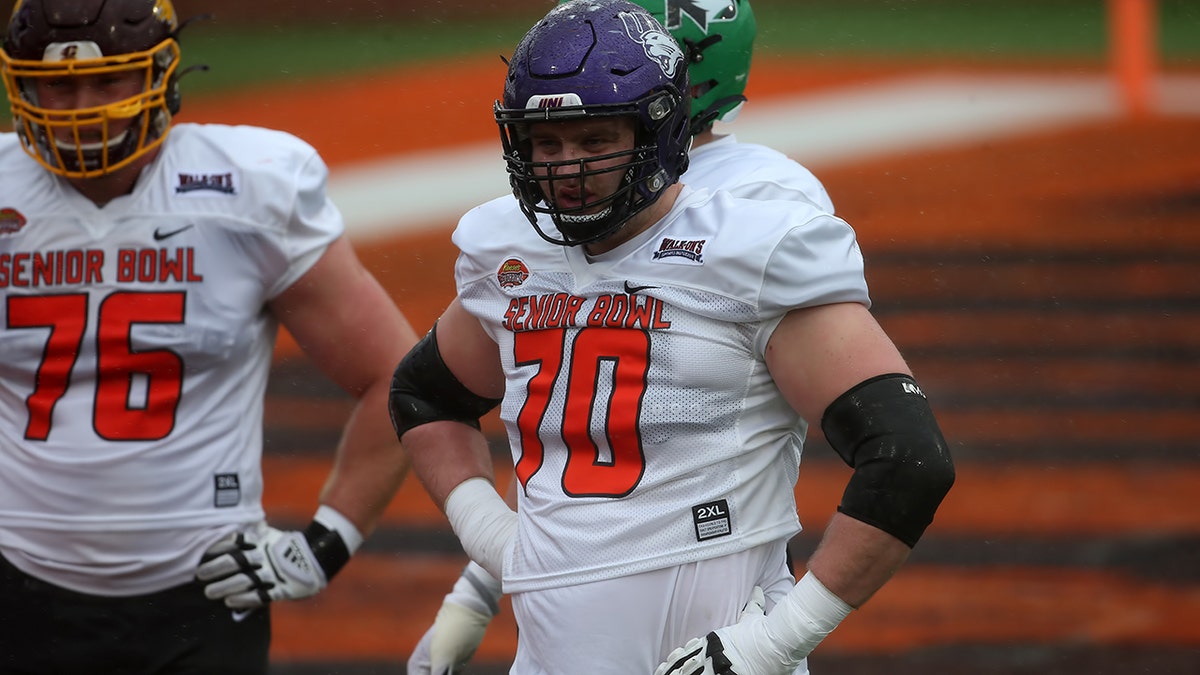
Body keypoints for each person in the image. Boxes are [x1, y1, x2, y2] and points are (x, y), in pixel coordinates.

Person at [388, 0, 955, 673]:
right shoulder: (504, 247)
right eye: (548, 141)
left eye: (595, 139)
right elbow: (440, 398)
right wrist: (490, 558)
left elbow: (907, 458)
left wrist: (770, 645)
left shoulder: (756, 225)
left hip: (714, 622)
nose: (566, 170)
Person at [0, 1, 417, 673]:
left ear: (161, 75)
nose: (82, 108)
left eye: (109, 81)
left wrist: (328, 539)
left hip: (203, 597)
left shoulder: (245, 188)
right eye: (60, 85)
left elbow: (397, 375)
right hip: (17, 593)